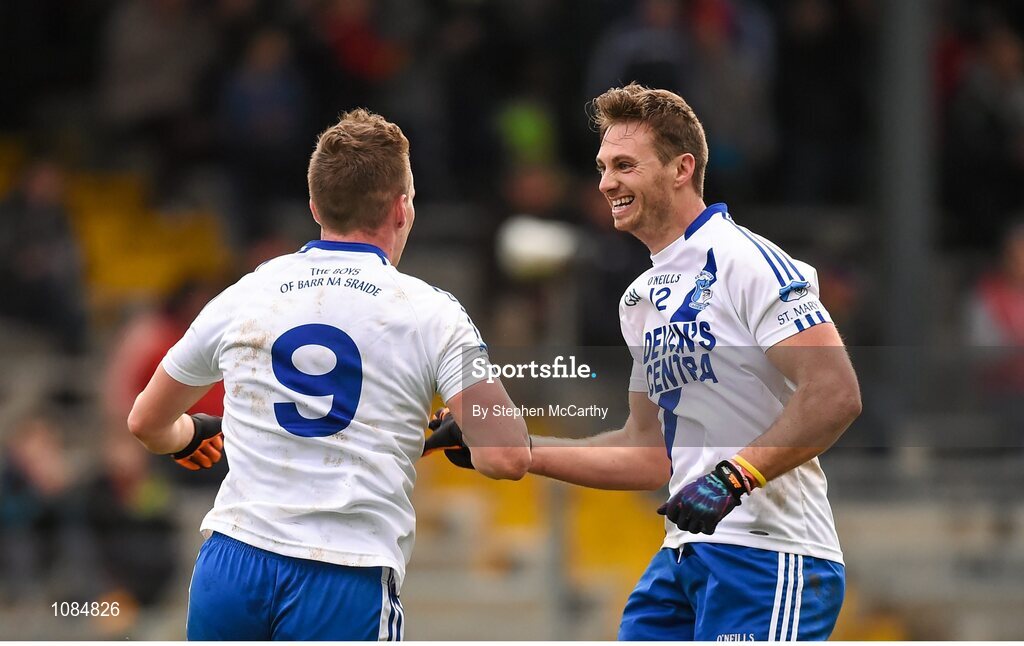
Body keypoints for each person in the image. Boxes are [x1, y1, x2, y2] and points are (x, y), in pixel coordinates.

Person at [424, 83, 861, 641]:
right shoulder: (640, 298)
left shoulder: (748, 261)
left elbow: (834, 393)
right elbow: (648, 451)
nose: (606, 182)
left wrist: (734, 478)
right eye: (603, 167)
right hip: (684, 555)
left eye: (625, 165)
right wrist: (520, 449)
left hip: (770, 556)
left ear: (681, 169)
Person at [127, 108, 531, 640]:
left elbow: (146, 422)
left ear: (315, 205)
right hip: (344, 570)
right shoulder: (432, 313)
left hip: (232, 562)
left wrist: (191, 435)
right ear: (403, 208)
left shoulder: (248, 292)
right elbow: (508, 456)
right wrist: (458, 440)